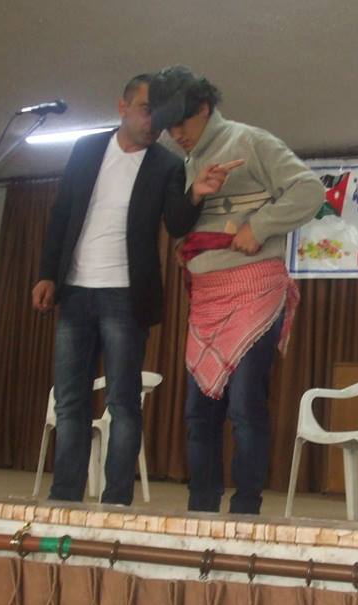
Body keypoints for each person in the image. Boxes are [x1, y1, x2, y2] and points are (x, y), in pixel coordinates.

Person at [32, 73, 234, 505]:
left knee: (123, 403)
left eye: (160, 115)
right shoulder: (87, 149)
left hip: (125, 296)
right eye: (146, 110)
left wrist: (195, 194)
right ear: (122, 108)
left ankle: (116, 500)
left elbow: (176, 223)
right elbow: (62, 213)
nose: (153, 122)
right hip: (75, 290)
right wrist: (47, 273)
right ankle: (64, 497)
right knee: (69, 400)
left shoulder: (166, 164)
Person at [149, 66, 325, 514]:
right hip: (206, 297)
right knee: (198, 411)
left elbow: (310, 190)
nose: (176, 134)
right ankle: (201, 508)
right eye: (168, 127)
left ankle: (246, 510)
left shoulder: (250, 141)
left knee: (245, 406)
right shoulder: (182, 164)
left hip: (254, 289)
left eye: (182, 123)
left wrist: (259, 226)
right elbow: (178, 224)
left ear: (205, 108)